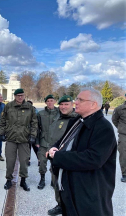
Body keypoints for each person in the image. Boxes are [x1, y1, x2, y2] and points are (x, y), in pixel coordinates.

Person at [48, 88, 117, 216]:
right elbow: (63, 141)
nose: (75, 102)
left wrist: (58, 157)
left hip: (88, 192)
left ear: (93, 104)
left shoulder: (103, 127)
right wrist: (54, 147)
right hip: (71, 187)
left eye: (80, 99)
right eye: (77, 99)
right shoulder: (77, 121)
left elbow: (93, 159)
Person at [0, 88, 38, 191]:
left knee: (24, 161)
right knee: (10, 161)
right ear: (15, 96)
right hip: (11, 138)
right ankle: (9, 180)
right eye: (18, 95)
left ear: (24, 96)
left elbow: (34, 123)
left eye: (22, 95)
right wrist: (2, 133)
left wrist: (33, 135)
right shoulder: (8, 106)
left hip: (24, 139)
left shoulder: (30, 107)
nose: (20, 97)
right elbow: (2, 120)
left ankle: (23, 181)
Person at [47, 95, 78, 216]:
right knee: (56, 183)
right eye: (61, 104)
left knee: (70, 185)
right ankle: (60, 205)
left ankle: (71, 208)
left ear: (72, 105)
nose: (63, 107)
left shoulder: (77, 119)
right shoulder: (57, 117)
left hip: (69, 159)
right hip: (55, 157)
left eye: (66, 104)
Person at [36, 94, 59, 190]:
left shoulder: (60, 113)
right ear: (45, 102)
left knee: (55, 163)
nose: (50, 102)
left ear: (54, 101)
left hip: (55, 142)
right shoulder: (41, 114)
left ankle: (54, 181)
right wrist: (37, 141)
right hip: (44, 142)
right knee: (42, 162)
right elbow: (37, 128)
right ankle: (42, 179)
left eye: (51, 100)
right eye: (48, 101)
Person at [112, 94, 126, 183]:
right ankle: (124, 174)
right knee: (124, 154)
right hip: (124, 135)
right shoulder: (119, 109)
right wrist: (121, 129)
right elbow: (114, 120)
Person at [26, 100, 39, 166]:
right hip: (26, 131)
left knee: (35, 146)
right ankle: (28, 160)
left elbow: (37, 121)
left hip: (34, 131)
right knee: (28, 147)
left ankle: (39, 159)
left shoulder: (35, 111)